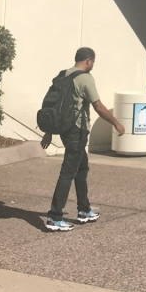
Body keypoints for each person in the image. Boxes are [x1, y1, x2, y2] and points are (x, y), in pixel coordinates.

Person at [42, 47, 125, 232]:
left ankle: (84, 210)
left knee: (81, 169)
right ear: (88, 60)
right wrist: (116, 123)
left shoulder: (63, 75)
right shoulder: (85, 78)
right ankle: (54, 217)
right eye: (93, 62)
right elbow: (98, 106)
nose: (93, 65)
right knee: (68, 172)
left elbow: (52, 104)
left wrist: (49, 131)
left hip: (65, 130)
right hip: (77, 132)